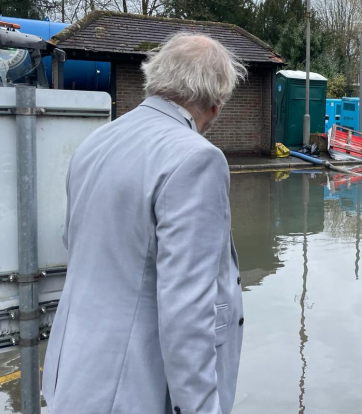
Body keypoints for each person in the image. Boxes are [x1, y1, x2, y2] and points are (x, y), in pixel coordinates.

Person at [42, 33, 248, 414]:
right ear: (216, 104)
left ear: (154, 79)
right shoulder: (196, 159)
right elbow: (187, 310)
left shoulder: (96, 142)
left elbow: (74, 240)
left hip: (71, 377)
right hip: (133, 391)